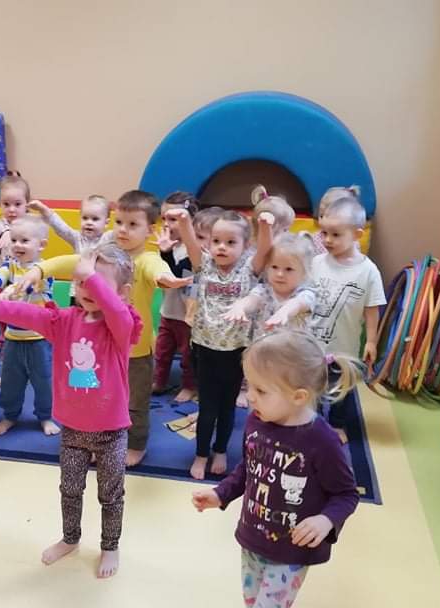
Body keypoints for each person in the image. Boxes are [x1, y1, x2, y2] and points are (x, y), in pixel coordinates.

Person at [191, 330, 362, 608]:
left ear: (299, 396)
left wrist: (325, 520)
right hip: (252, 541)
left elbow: (346, 494)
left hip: (291, 552)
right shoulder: (257, 422)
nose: (250, 397)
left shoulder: (321, 440)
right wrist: (220, 494)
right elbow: (247, 470)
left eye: (261, 391)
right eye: (249, 386)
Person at [0, 243, 140, 578]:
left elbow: (116, 311)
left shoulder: (120, 326)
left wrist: (88, 275)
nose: (87, 287)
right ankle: (70, 539)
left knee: (111, 495)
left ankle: (110, 546)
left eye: (97, 281)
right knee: (70, 490)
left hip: (111, 432)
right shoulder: (65, 321)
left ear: (123, 293)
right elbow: (30, 315)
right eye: (81, 281)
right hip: (73, 431)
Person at [15, 190, 190, 467]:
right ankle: (102, 441)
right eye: (119, 222)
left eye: (132, 224)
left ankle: (137, 444)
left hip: (135, 352)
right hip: (100, 350)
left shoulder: (146, 259)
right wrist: (39, 270)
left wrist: (167, 278)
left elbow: (157, 269)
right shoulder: (103, 256)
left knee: (135, 402)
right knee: (102, 399)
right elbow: (71, 262)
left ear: (150, 230)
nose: (123, 230)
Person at [166, 207, 271, 479]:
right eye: (216, 241)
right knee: (207, 408)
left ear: (245, 246)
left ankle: (221, 449)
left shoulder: (249, 269)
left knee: (226, 407)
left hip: (236, 350)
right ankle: (201, 454)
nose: (221, 247)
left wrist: (265, 227)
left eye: (231, 242)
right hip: (205, 348)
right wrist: (185, 221)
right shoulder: (204, 265)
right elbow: (191, 242)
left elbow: (264, 250)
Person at [0, 215, 58, 436]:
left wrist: (9, 292)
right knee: (10, 382)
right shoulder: (11, 266)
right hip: (13, 338)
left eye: (24, 241)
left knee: (43, 382)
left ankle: (45, 416)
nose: (17, 245)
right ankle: (10, 415)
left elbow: (28, 287)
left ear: (41, 245)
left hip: (39, 340)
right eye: (14, 240)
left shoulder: (44, 270)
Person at [310, 196, 386, 442]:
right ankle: (312, 423)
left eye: (336, 235)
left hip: (344, 349)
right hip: (312, 344)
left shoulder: (368, 271)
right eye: (324, 233)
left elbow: (372, 309)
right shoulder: (316, 262)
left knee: (341, 390)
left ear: (357, 235)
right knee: (312, 387)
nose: (327, 240)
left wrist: (371, 341)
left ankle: (337, 424)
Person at [152, 191, 198, 403]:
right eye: (164, 218)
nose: (166, 224)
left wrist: (166, 254)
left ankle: (189, 386)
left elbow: (179, 277)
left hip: (187, 317)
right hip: (168, 312)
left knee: (188, 356)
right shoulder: (169, 244)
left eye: (173, 219)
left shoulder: (193, 250)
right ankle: (159, 381)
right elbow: (163, 274)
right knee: (162, 351)